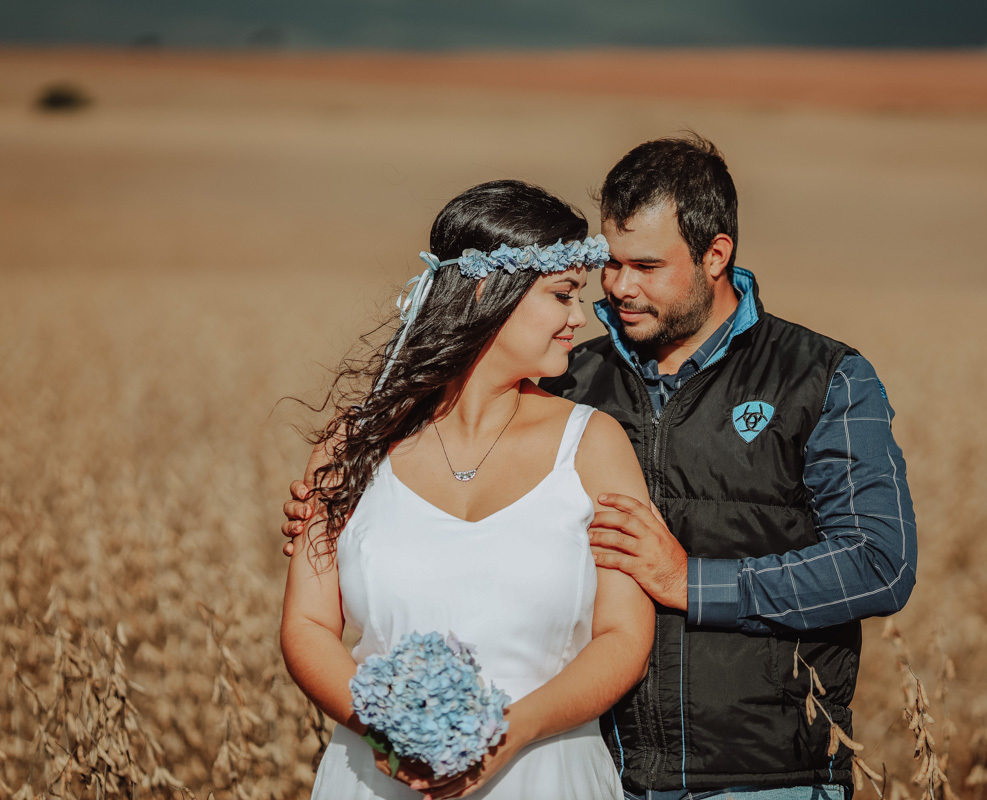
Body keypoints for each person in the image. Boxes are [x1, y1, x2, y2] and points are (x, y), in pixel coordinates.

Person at [283, 135, 918, 799]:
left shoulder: (820, 379)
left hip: (760, 774)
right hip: (616, 767)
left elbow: (881, 562)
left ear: (715, 256)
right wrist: (335, 509)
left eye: (644, 265)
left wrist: (691, 582)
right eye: (607, 266)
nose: (614, 289)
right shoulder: (571, 381)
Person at [280, 179, 655, 800]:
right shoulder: (351, 445)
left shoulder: (595, 445)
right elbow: (308, 626)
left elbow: (624, 637)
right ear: (488, 292)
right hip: (377, 779)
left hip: (546, 775)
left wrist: (511, 732)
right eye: (563, 295)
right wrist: (387, 735)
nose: (578, 318)